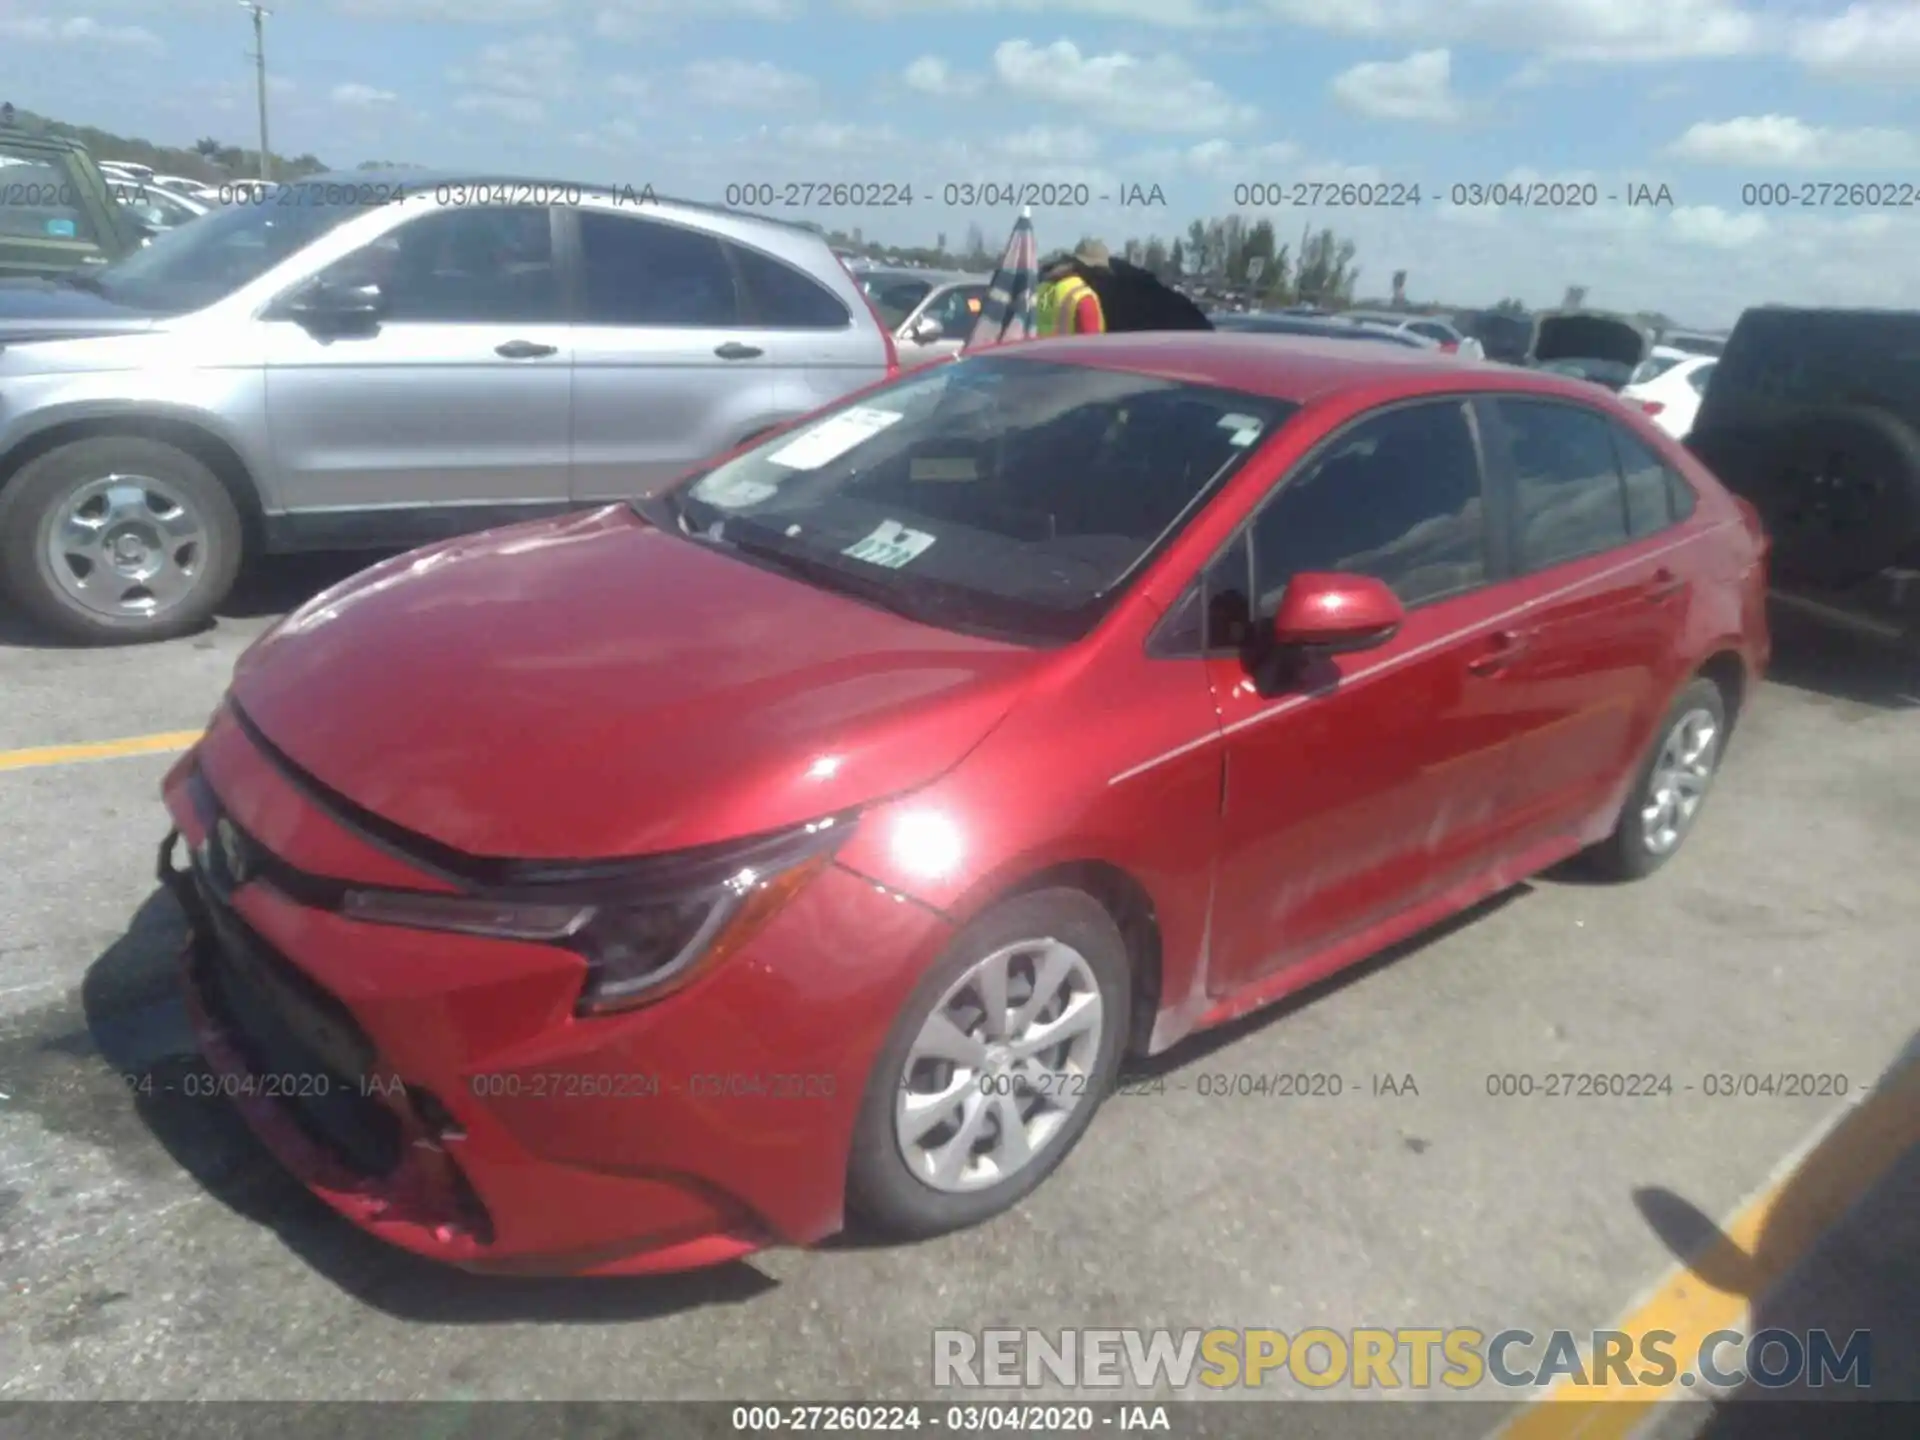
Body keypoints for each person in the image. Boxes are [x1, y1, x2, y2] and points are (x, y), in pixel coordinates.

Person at [1034, 241, 1109, 336]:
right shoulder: (1083, 296)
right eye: (1101, 273)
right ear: (1092, 269)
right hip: (1069, 350)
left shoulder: (1042, 288)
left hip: (1040, 350)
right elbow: (1092, 346)